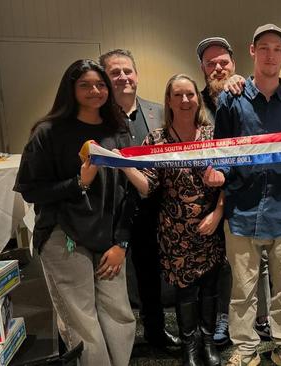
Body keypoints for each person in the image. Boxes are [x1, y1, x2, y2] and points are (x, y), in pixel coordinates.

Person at [206, 24, 281, 366]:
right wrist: (218, 173)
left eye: (277, 49)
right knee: (242, 291)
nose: (271, 54)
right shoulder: (232, 98)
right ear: (253, 51)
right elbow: (223, 151)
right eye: (265, 48)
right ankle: (245, 347)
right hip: (242, 212)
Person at [13, 59, 136, 365]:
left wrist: (121, 242)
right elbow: (32, 189)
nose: (95, 91)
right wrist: (79, 183)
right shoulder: (48, 132)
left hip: (108, 239)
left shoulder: (117, 130)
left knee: (119, 315)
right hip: (63, 236)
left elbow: (129, 193)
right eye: (85, 85)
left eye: (100, 84)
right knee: (83, 321)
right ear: (70, 90)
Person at [122, 74, 225, 366]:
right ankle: (189, 345)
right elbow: (148, 186)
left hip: (210, 226)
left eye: (190, 94)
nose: (184, 100)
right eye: (177, 95)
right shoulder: (156, 139)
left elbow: (229, 179)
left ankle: (207, 342)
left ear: (198, 98)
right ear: (168, 100)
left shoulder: (212, 134)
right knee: (186, 290)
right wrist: (124, 165)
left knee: (209, 289)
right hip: (175, 231)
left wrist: (218, 214)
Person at [98, 49, 180, 348]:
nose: (123, 78)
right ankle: (118, 338)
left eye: (127, 71)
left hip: (151, 209)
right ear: (104, 78)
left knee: (149, 274)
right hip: (111, 212)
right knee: (113, 278)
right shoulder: (97, 118)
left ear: (137, 75)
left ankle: (156, 330)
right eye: (114, 72)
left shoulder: (159, 113)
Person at [195, 37, 273, 346]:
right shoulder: (193, 100)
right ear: (202, 68)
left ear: (234, 63)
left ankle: (262, 317)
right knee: (221, 266)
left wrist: (221, 208)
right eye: (210, 63)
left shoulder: (244, 94)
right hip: (201, 199)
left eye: (223, 62)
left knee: (256, 261)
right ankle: (224, 318)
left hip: (239, 197)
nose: (217, 68)